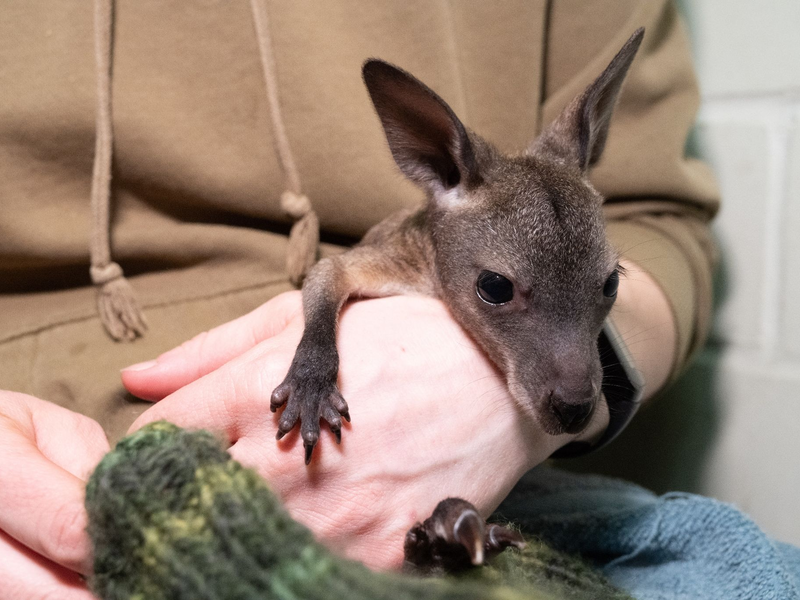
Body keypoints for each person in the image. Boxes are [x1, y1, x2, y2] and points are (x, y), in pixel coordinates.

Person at [0, 1, 718, 596]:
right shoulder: (418, 243)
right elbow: (331, 278)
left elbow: (659, 222)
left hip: (468, 485)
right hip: (67, 454)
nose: (577, 383)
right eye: (500, 291)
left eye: (605, 287)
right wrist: (316, 365)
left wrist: (493, 409)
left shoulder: (546, 232)